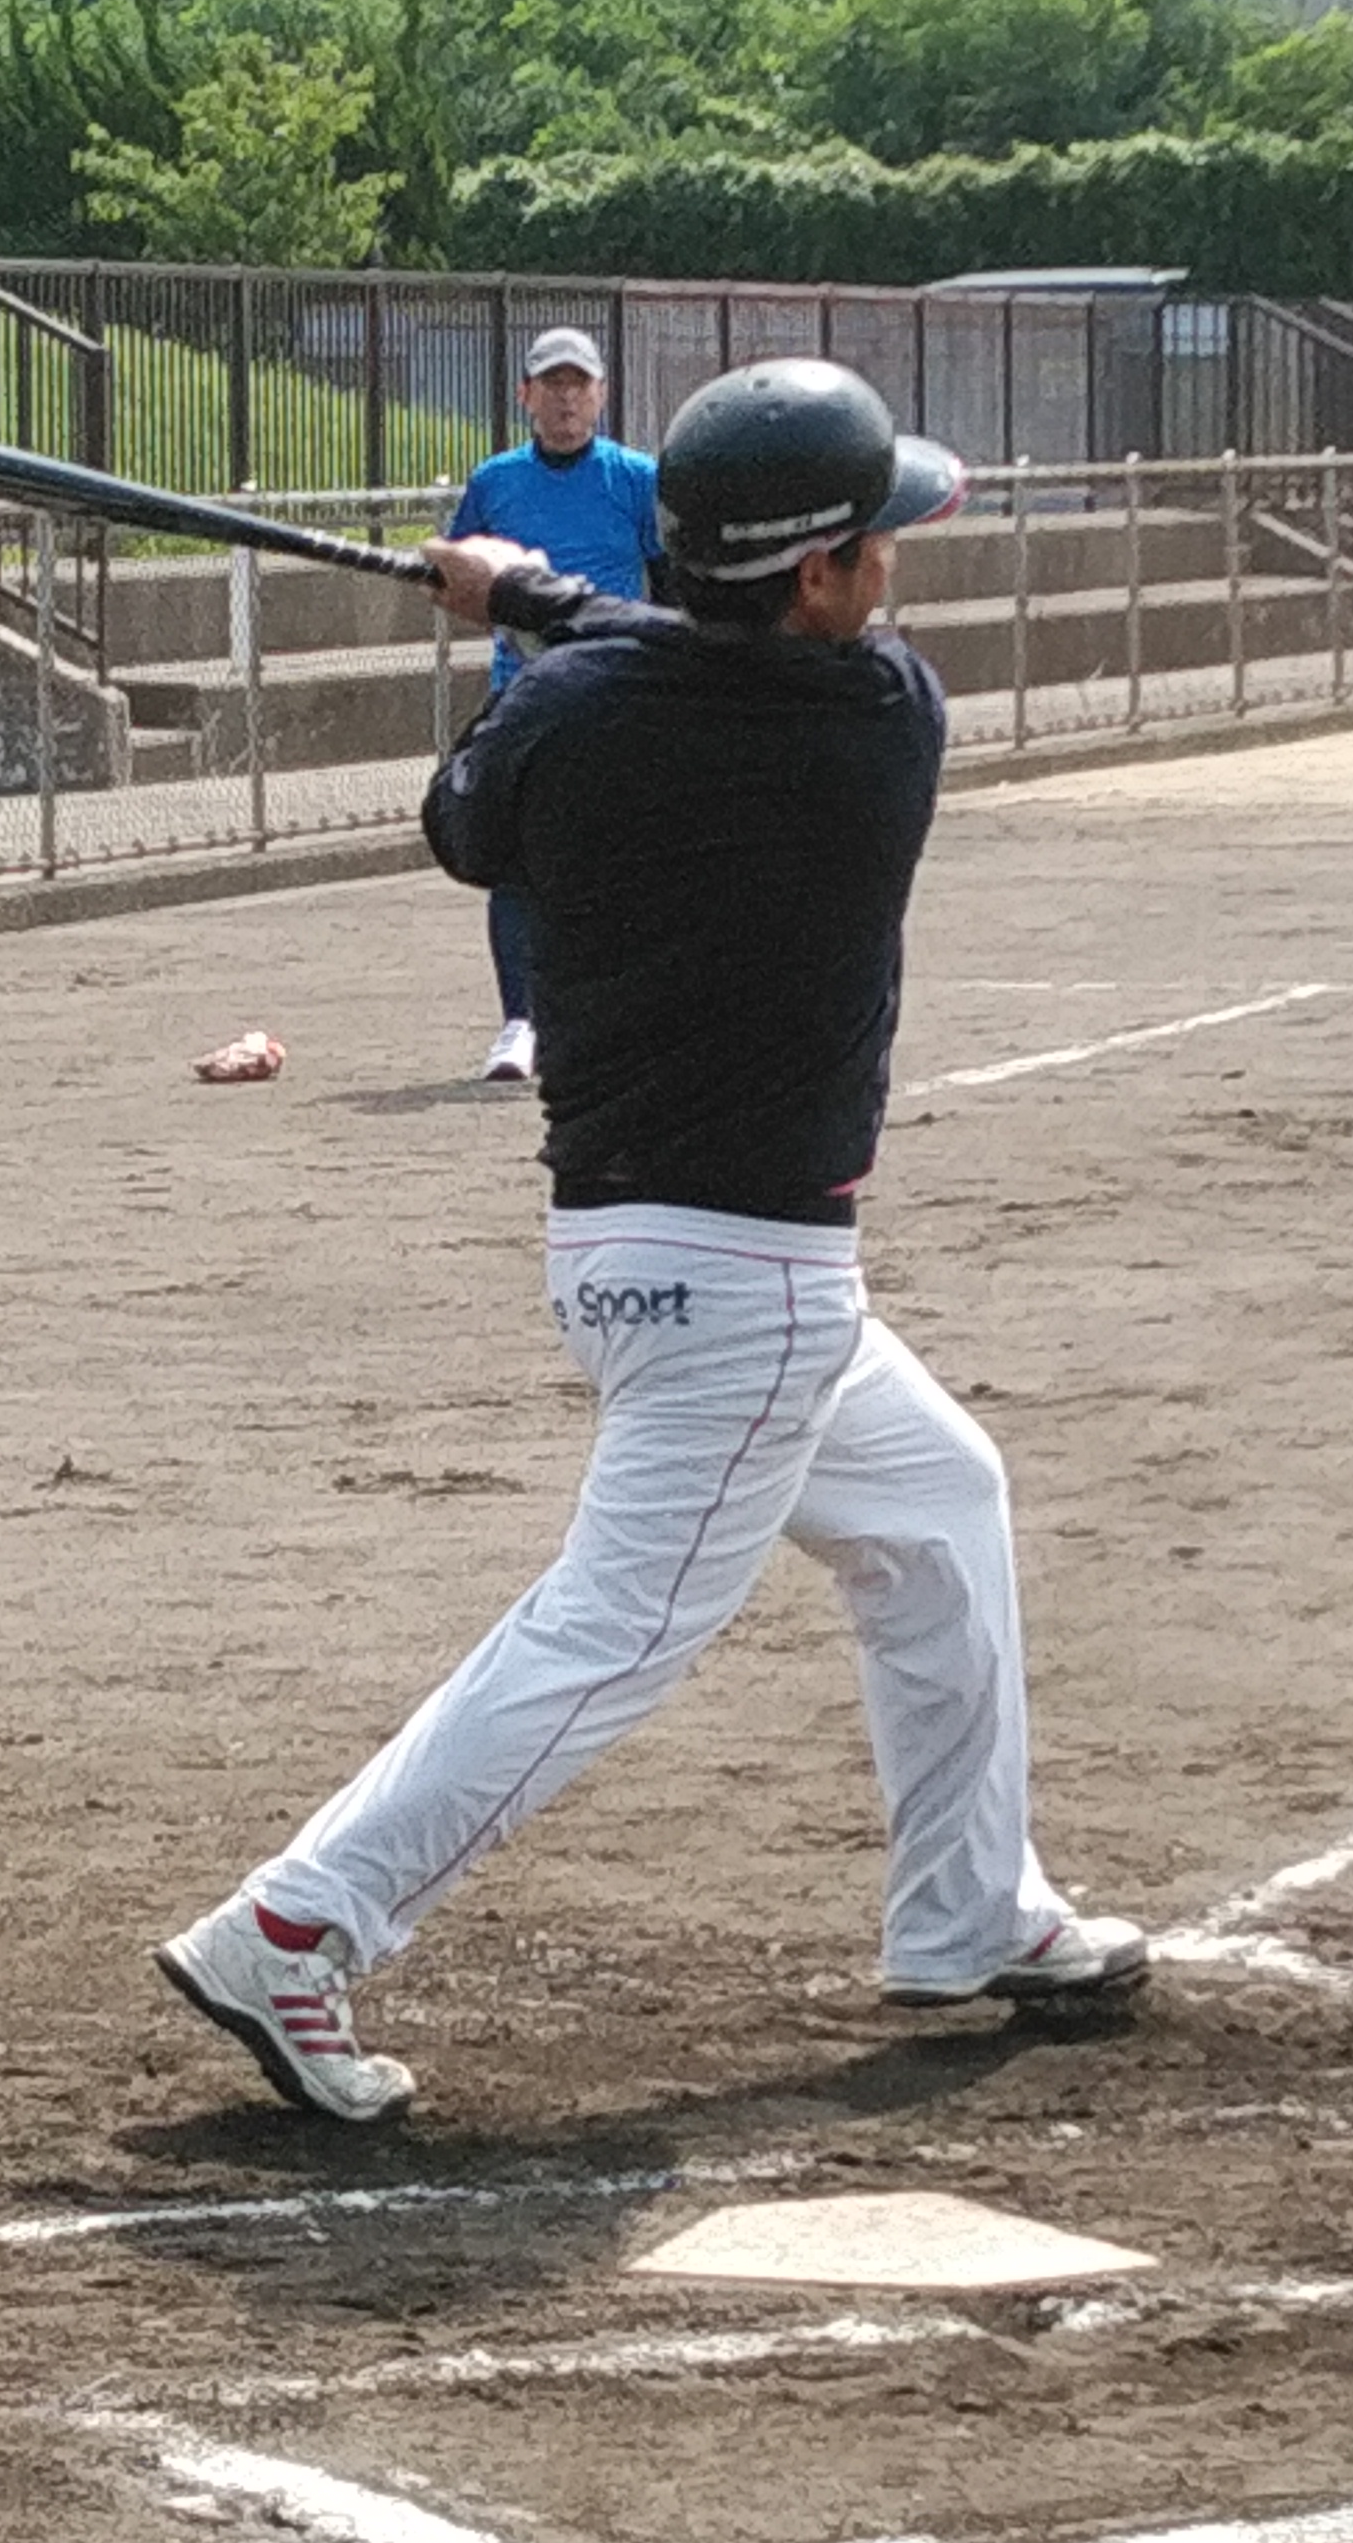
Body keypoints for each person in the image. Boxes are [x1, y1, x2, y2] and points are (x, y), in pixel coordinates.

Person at [155, 359, 1147, 2126]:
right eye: (871, 543)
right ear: (817, 580)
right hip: (746, 1276)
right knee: (614, 1629)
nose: (893, 570)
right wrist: (555, 598)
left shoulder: (578, 716)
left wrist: (528, 615)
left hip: (638, 1246)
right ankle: (295, 1921)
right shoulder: (876, 723)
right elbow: (697, 656)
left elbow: (470, 818)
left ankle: (969, 1908)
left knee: (937, 1503)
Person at [439, 328, 663, 1086]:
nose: (567, 399)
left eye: (580, 384)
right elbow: (457, 575)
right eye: (552, 385)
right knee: (517, 862)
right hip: (525, 693)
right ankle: (521, 1021)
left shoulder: (636, 479)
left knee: (628, 858)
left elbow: (668, 582)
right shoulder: (496, 481)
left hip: (619, 691)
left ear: (601, 393)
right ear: (527, 396)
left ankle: (620, 1011)